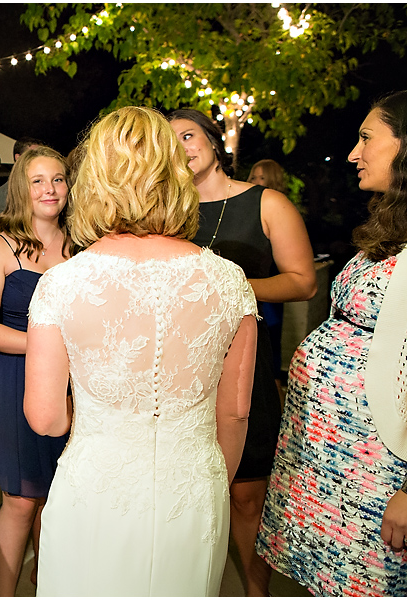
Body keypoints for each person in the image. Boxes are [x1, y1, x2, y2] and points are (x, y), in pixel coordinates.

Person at [24, 106, 258, 596]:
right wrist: (210, 480)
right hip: (193, 490)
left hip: (97, 493)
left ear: (96, 181)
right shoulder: (229, 281)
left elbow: (47, 419)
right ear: (175, 175)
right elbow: (234, 413)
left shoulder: (61, 284)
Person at [256, 91, 407, 596]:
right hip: (325, 454)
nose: (352, 153)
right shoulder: (390, 227)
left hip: (377, 468)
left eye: (367, 139)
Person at [168, 108, 317, 596]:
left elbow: (303, 281)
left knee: (248, 495)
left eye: (189, 135)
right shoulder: (166, 214)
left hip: (246, 367)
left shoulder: (265, 202)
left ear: (214, 140)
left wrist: (228, 287)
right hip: (181, 372)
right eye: (171, 142)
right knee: (188, 494)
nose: (182, 147)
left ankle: (256, 592)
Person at [0, 146, 70, 595]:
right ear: (21, 189)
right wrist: (46, 345)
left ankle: (47, 583)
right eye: (38, 180)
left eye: (58, 179)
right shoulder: (0, 247)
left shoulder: (82, 246)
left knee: (59, 498)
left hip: (70, 385)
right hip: (13, 379)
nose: (50, 189)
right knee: (21, 501)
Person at [248, 158, 290, 387]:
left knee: (269, 346)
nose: (254, 181)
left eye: (260, 177)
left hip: (270, 292)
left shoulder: (279, 210)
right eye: (252, 176)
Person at [0, 137, 43, 214]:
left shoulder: (46, 188)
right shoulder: (0, 195)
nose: (39, 160)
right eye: (32, 156)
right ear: (18, 158)